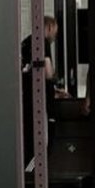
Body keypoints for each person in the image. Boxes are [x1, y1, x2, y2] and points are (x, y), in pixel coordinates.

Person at [21, 14, 64, 165]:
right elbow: (48, 73)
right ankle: (35, 171)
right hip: (40, 100)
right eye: (55, 32)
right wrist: (54, 80)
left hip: (27, 97)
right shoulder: (42, 42)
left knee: (29, 139)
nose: (54, 37)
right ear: (50, 27)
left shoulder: (26, 42)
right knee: (44, 142)